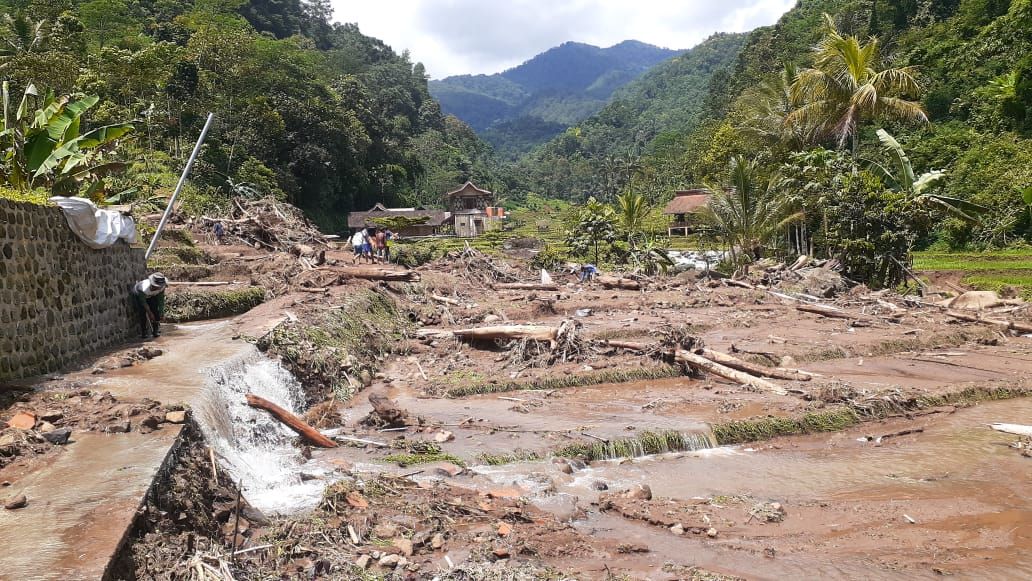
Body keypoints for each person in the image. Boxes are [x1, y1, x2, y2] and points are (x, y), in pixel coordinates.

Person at [133, 272, 167, 339]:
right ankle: (144, 332)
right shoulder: (144, 288)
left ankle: (155, 331)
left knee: (155, 310)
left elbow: (160, 301)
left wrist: (161, 312)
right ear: (152, 284)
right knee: (142, 313)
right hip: (139, 295)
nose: (158, 288)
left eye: (159, 287)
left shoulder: (162, 288)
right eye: (156, 286)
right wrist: (149, 312)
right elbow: (143, 302)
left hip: (151, 295)